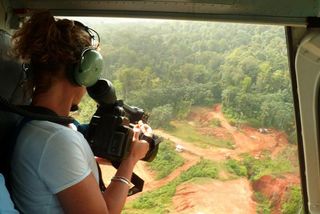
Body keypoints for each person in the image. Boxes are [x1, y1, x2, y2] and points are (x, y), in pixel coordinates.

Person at [10, 11, 150, 214]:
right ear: (84, 71)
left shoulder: (42, 127)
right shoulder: (55, 141)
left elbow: (58, 168)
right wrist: (131, 160)